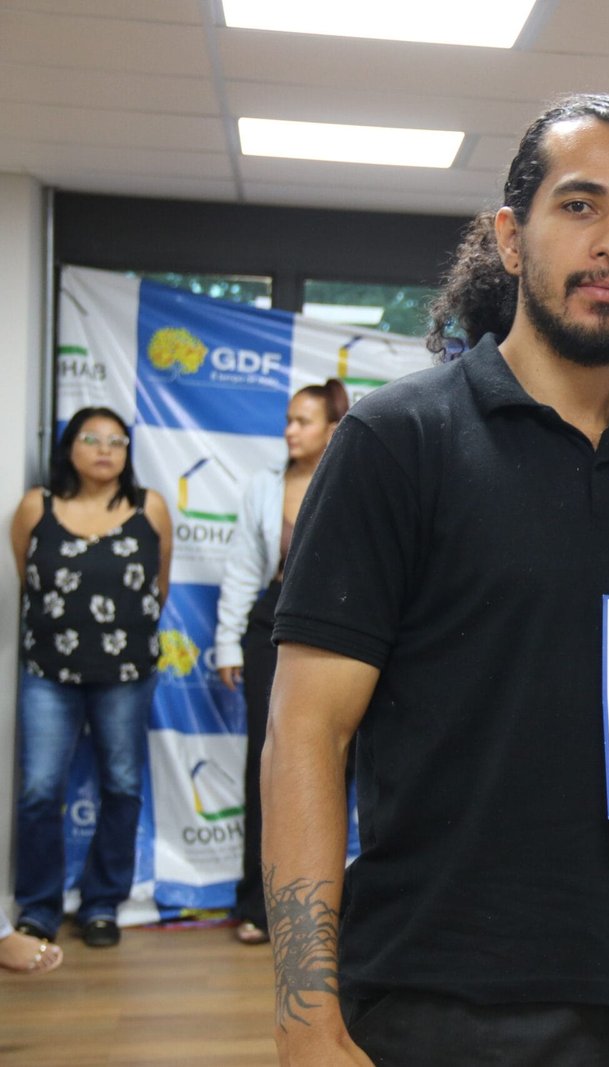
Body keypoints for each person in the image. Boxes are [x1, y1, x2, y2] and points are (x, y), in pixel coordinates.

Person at [259, 93, 609, 1067]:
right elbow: (305, 731)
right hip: (439, 994)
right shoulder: (396, 440)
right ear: (511, 239)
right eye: (580, 206)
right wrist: (305, 1019)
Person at [10, 407, 171, 950]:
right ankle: (38, 909)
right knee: (39, 791)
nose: (105, 449)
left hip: (126, 672)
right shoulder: (36, 506)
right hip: (48, 671)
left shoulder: (149, 507)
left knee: (121, 787)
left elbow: (159, 587)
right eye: (92, 438)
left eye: (117, 441)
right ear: (69, 448)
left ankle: (102, 904)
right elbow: (28, 581)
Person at [214, 379, 349, 945]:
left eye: (303, 421)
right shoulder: (264, 486)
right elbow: (243, 568)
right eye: (288, 420)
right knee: (269, 767)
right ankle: (259, 904)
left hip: (345, 627)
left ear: (332, 428)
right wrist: (227, 642)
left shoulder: (358, 477)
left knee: (342, 767)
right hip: (271, 625)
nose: (290, 431)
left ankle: (331, 908)